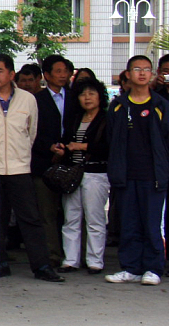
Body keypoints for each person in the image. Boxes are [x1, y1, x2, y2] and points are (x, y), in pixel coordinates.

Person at [0, 54, 63, 282]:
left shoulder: (27, 99)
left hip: (19, 168)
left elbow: (31, 133)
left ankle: (42, 266)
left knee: (31, 219)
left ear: (11, 74)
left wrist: (21, 155)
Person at [104, 55, 169, 285]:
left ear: (152, 74)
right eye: (137, 69)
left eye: (147, 69)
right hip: (125, 174)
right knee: (129, 223)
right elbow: (111, 138)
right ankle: (130, 268)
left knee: (152, 224)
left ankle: (153, 269)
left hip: (153, 176)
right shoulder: (119, 105)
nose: (142, 73)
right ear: (128, 74)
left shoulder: (161, 105)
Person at [55, 77, 109, 274]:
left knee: (94, 219)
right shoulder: (75, 119)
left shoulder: (106, 119)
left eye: (91, 93)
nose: (87, 98)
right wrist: (62, 149)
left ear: (100, 97)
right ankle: (70, 260)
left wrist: (82, 146)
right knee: (71, 217)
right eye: (82, 94)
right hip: (73, 173)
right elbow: (66, 140)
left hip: (96, 173)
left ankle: (95, 261)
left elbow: (109, 147)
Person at [32, 55, 71, 266]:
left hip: (70, 163)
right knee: (47, 213)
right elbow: (31, 131)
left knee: (71, 213)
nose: (63, 75)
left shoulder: (75, 98)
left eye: (65, 70)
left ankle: (74, 255)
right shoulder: (36, 100)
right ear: (46, 75)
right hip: (44, 164)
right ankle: (52, 255)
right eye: (58, 71)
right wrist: (49, 147)